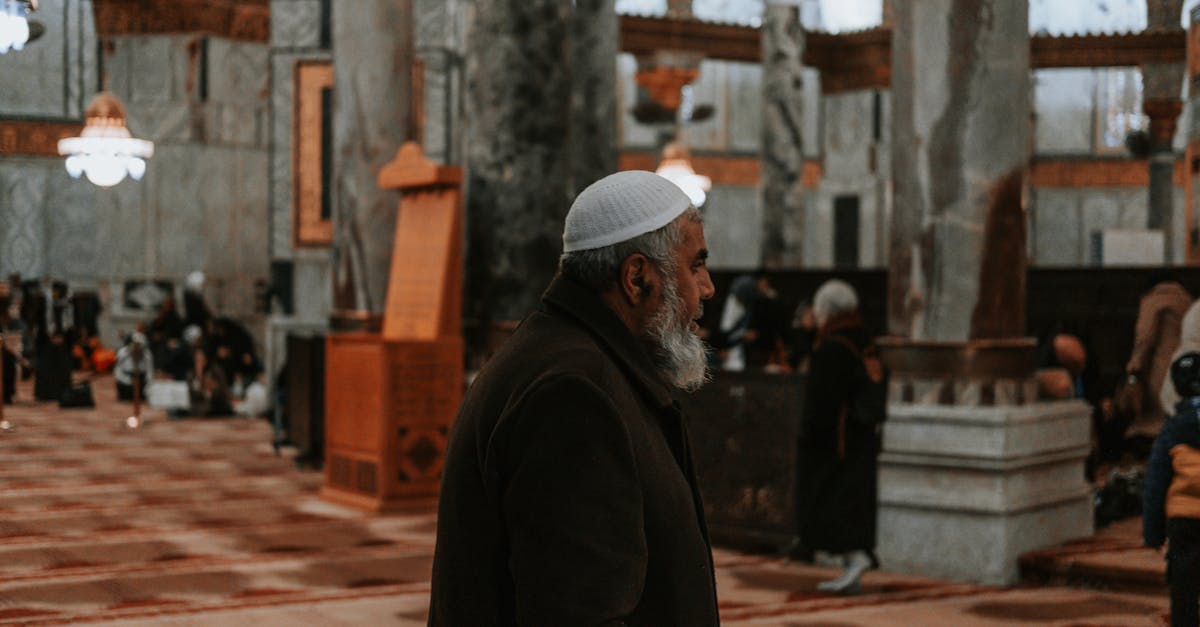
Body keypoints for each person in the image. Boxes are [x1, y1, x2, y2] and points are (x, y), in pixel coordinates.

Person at [429, 170, 719, 626]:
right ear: (637, 278)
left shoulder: (566, 358)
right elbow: (578, 612)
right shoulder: (573, 395)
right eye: (695, 266)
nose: (706, 289)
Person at [794, 279, 883, 593]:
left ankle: (856, 557)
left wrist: (808, 437)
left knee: (833, 502)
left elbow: (821, 402)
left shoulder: (833, 347)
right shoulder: (864, 340)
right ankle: (853, 563)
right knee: (851, 501)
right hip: (860, 440)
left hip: (834, 443)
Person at [1144, 351, 1200, 627]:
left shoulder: (1173, 429)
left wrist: (1153, 532)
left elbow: (1156, 482)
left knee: (1183, 588)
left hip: (1184, 520)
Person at [1125, 279, 1192, 441]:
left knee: (1153, 427)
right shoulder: (1187, 300)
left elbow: (1144, 338)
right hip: (1184, 377)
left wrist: (1133, 370)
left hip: (1159, 377)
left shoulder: (1155, 299)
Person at [114, 331, 153, 401]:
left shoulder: (147, 354)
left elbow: (150, 371)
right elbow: (117, 372)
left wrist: (146, 383)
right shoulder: (123, 352)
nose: (137, 347)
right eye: (135, 344)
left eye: (140, 345)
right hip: (126, 379)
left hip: (141, 378)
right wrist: (129, 381)